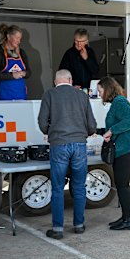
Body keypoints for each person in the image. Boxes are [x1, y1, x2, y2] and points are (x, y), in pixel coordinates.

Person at [38, 69, 97, 240]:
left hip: (59, 145)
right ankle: (79, 225)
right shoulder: (82, 96)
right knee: (79, 186)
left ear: (56, 81)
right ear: (70, 80)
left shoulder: (49, 95)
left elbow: (42, 122)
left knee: (57, 188)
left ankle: (57, 229)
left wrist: (51, 131)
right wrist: (85, 132)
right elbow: (91, 125)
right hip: (79, 145)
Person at [99, 77, 130, 231]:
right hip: (124, 147)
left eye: (100, 90)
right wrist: (101, 132)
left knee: (123, 185)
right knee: (120, 183)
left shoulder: (120, 102)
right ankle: (124, 217)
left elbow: (129, 120)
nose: (99, 94)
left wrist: (111, 131)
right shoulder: (116, 103)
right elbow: (118, 124)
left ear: (108, 89)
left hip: (128, 148)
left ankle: (128, 221)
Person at [0, 24, 30, 101]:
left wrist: (24, 73)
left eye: (20, 39)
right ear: (8, 36)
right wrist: (13, 75)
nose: (19, 41)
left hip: (20, 96)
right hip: (3, 97)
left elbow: (29, 72)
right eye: (17, 38)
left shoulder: (21, 53)